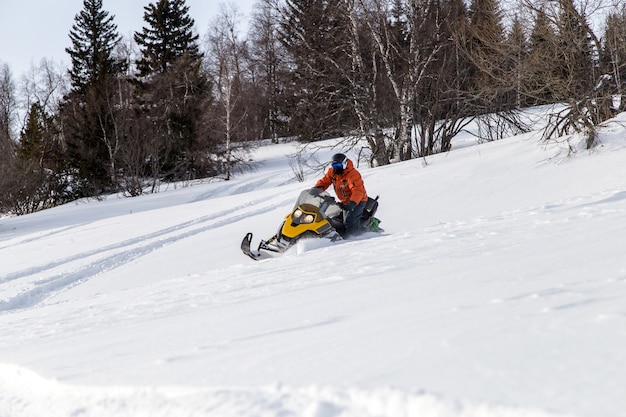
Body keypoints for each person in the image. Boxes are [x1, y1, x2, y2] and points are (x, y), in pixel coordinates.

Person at [313, 153, 368, 237]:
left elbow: (357, 190)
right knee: (334, 219)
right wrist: (317, 189)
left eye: (338, 165)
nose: (336, 167)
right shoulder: (333, 172)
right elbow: (325, 181)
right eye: (334, 165)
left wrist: (352, 203)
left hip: (358, 201)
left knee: (350, 222)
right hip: (344, 201)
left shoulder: (353, 174)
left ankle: (355, 238)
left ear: (345, 164)